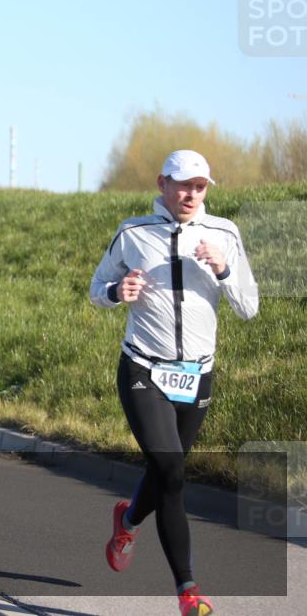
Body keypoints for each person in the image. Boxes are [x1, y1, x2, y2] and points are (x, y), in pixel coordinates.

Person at [89, 150, 258, 616]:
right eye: (183, 185)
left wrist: (223, 270)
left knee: (167, 472)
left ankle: (127, 518)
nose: (191, 195)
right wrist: (115, 292)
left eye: (200, 186)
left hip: (197, 374)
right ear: (162, 183)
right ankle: (188, 592)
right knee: (173, 474)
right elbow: (96, 288)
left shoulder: (224, 233)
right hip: (143, 368)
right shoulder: (133, 232)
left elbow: (249, 306)